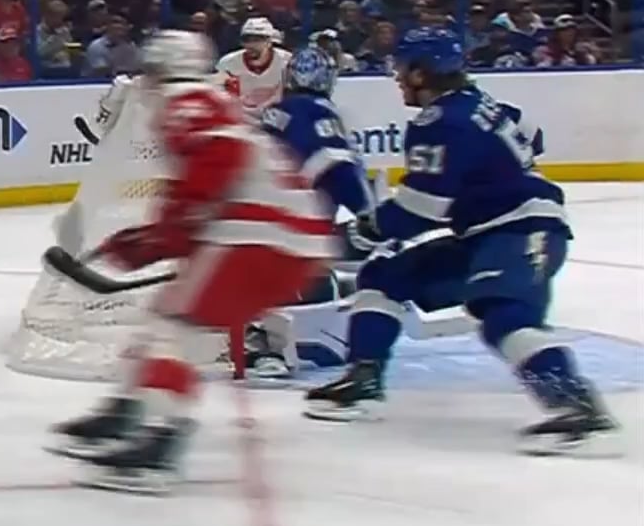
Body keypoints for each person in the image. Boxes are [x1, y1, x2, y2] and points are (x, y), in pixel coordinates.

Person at [302, 27, 617, 455]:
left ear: (422, 73)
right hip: (486, 233)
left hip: (523, 230)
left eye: (402, 68)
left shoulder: (440, 122)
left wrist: (361, 232)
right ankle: (364, 379)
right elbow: (532, 134)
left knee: (504, 314)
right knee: (384, 276)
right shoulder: (485, 105)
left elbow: (419, 211)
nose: (396, 76)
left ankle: (578, 409)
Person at [47, 31, 335, 494]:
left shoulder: (185, 99)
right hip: (286, 238)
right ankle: (129, 409)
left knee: (174, 327)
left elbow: (216, 160)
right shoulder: (211, 98)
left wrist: (163, 235)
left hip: (262, 236)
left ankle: (159, 445)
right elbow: (211, 184)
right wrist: (158, 236)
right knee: (165, 315)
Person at [246, 46, 378, 377]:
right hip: (293, 228)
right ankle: (270, 344)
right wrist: (368, 213)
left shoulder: (272, 113)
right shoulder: (320, 113)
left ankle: (259, 336)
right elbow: (338, 166)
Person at [215, 16, 291, 117]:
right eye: (247, 40)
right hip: (239, 116)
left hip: (276, 115)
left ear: (269, 42)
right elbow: (219, 95)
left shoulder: (287, 60)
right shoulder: (227, 63)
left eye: (257, 40)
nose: (251, 45)